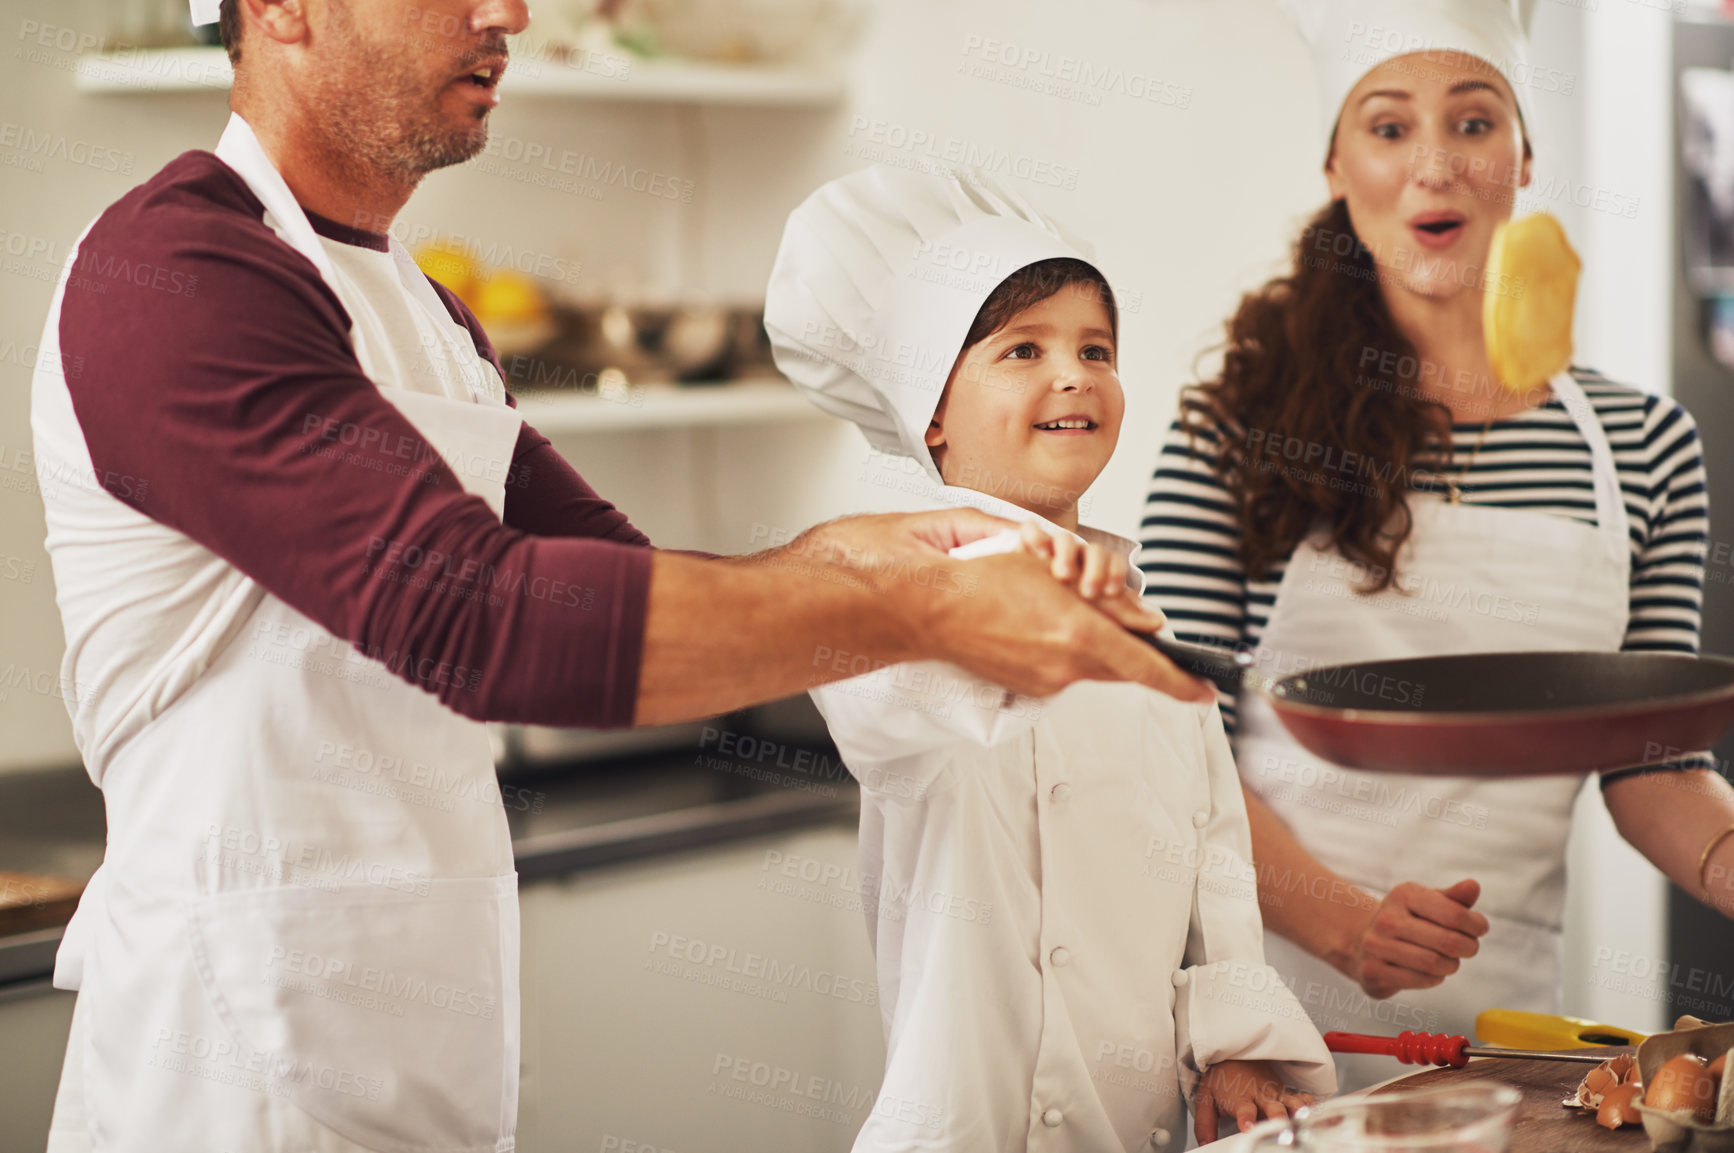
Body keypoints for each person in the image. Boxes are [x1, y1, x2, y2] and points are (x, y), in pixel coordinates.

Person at [30, 2, 1207, 1149]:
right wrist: (912, 609)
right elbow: (477, 618)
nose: (513, 14)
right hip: (221, 1069)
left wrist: (858, 555)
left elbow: (618, 578)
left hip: (416, 1047)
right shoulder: (175, 270)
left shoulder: (430, 317)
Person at [1138, 0, 1734, 1092]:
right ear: (1336, 166)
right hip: (1265, 1036)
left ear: (1523, 157)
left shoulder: (1646, 445)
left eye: (1472, 123)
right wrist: (1336, 921)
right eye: (1388, 126)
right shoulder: (1236, 427)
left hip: (1514, 1044)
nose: (1435, 167)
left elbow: (1653, 759)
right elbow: (1173, 757)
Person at [765, 166, 1335, 1153]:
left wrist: (1235, 1047)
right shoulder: (896, 600)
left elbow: (1214, 872)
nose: (1072, 373)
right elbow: (875, 700)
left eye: (1095, 349)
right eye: (1023, 349)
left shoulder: (1148, 631)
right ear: (930, 414)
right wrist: (996, 618)